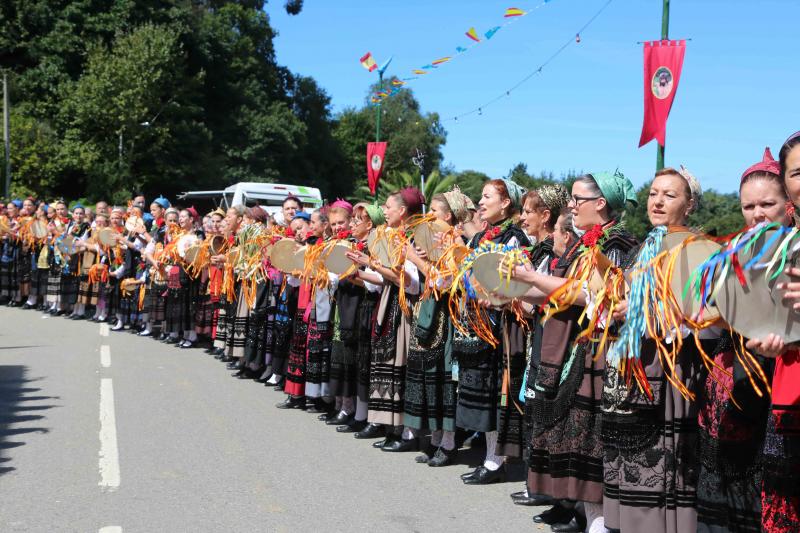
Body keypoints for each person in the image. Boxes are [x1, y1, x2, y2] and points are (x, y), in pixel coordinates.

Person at [509, 171, 638, 531]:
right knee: (578, 437)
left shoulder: (620, 244)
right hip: (577, 348)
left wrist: (531, 279)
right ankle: (584, 514)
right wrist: (511, 288)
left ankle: (599, 520)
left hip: (601, 350)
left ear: (600, 204)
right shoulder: (586, 244)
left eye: (576, 200)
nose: (570, 205)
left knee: (591, 438)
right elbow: (560, 289)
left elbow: (592, 295)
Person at [603, 167, 708, 533]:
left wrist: (640, 313)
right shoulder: (644, 246)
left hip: (671, 366)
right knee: (630, 458)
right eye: (653, 193)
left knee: (664, 464)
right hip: (635, 366)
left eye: (670, 195)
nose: (658, 201)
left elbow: (698, 313)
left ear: (690, 205)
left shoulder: (694, 249)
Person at [694, 149, 790, 533]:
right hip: (729, 387)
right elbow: (707, 313)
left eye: (768, 203)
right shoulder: (728, 256)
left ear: (789, 204)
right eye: (749, 206)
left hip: (779, 389)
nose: (757, 213)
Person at [454, 178, 531, 485]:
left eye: (487, 197)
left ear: (505, 203)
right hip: (478, 322)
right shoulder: (481, 238)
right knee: (480, 394)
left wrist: (493, 295)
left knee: (497, 393)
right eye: (481, 197)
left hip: (501, 325)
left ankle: (496, 460)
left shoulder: (515, 238)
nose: (481, 202)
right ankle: (489, 456)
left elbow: (517, 283)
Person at [346, 188, 423, 451]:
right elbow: (382, 279)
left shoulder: (414, 238)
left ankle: (406, 432)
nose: (385, 211)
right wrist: (360, 270)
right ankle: (391, 427)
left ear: (402, 211)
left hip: (404, 306)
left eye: (389, 207)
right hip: (389, 302)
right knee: (388, 363)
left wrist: (372, 263)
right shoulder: (393, 236)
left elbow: (409, 282)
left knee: (399, 365)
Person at [508, 184, 571, 507]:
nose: (523, 217)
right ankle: (538, 484)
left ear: (546, 216)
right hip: (541, 334)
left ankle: (546, 487)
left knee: (546, 410)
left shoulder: (552, 252)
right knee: (536, 411)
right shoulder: (539, 251)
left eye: (529, 212)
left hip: (553, 338)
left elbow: (550, 297)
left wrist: (519, 287)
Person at [402, 188, 473, 467]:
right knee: (428, 377)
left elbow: (445, 282)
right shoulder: (434, 240)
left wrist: (417, 258)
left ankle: (448, 442)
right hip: (429, 311)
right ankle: (435, 438)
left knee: (443, 380)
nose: (428, 216)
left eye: (434, 211)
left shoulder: (458, 242)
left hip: (447, 316)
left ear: (448, 216)